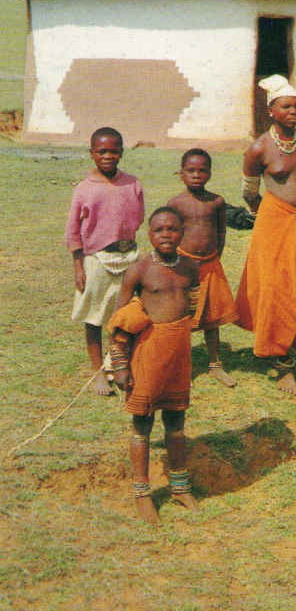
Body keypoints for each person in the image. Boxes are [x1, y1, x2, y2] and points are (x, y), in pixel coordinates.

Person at [234, 75, 296, 397]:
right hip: (275, 223)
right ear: (271, 111)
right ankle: (283, 365)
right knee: (279, 292)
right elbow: (249, 192)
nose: (294, 111)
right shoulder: (258, 148)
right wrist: (269, 215)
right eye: (286, 106)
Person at [107, 207, 200, 524]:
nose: (166, 235)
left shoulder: (190, 267)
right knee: (143, 423)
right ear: (149, 233)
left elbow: (194, 303)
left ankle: (179, 486)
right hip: (147, 351)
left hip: (178, 353)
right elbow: (119, 321)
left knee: (176, 419)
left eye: (173, 229)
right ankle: (142, 493)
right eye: (159, 229)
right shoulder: (139, 270)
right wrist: (120, 364)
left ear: (182, 233)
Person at [65, 126, 145, 397]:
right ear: (92, 154)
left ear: (122, 152)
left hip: (128, 256)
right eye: (102, 151)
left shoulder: (132, 184)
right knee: (95, 316)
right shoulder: (85, 189)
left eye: (113, 151)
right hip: (97, 259)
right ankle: (98, 371)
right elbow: (73, 230)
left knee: (125, 314)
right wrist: (79, 265)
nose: (108, 156)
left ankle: (119, 364)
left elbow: (137, 218)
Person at [168, 148, 238, 387]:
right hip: (183, 266)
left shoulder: (216, 202)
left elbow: (221, 231)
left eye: (202, 170)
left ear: (209, 173)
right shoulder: (176, 203)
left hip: (210, 265)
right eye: (191, 170)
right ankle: (178, 365)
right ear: (181, 174)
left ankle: (215, 364)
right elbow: (170, 233)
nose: (196, 175)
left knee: (212, 317)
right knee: (181, 315)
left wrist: (215, 256)